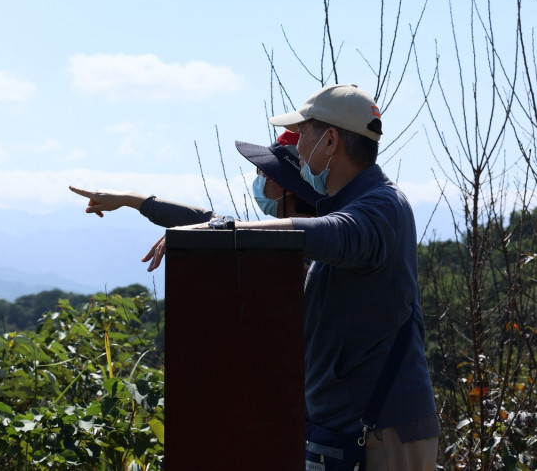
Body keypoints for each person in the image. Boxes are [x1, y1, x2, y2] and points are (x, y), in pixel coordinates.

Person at [146, 84, 439, 469]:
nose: (297, 149)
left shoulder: (382, 206)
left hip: (384, 430)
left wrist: (227, 232)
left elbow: (329, 234)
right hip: (347, 428)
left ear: (330, 141)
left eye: (303, 136)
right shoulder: (356, 204)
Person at [69, 130, 320, 229]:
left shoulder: (321, 247)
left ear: (291, 188)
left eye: (266, 173)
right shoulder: (295, 238)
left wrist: (210, 228)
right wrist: (131, 199)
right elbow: (213, 222)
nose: (260, 179)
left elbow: (220, 227)